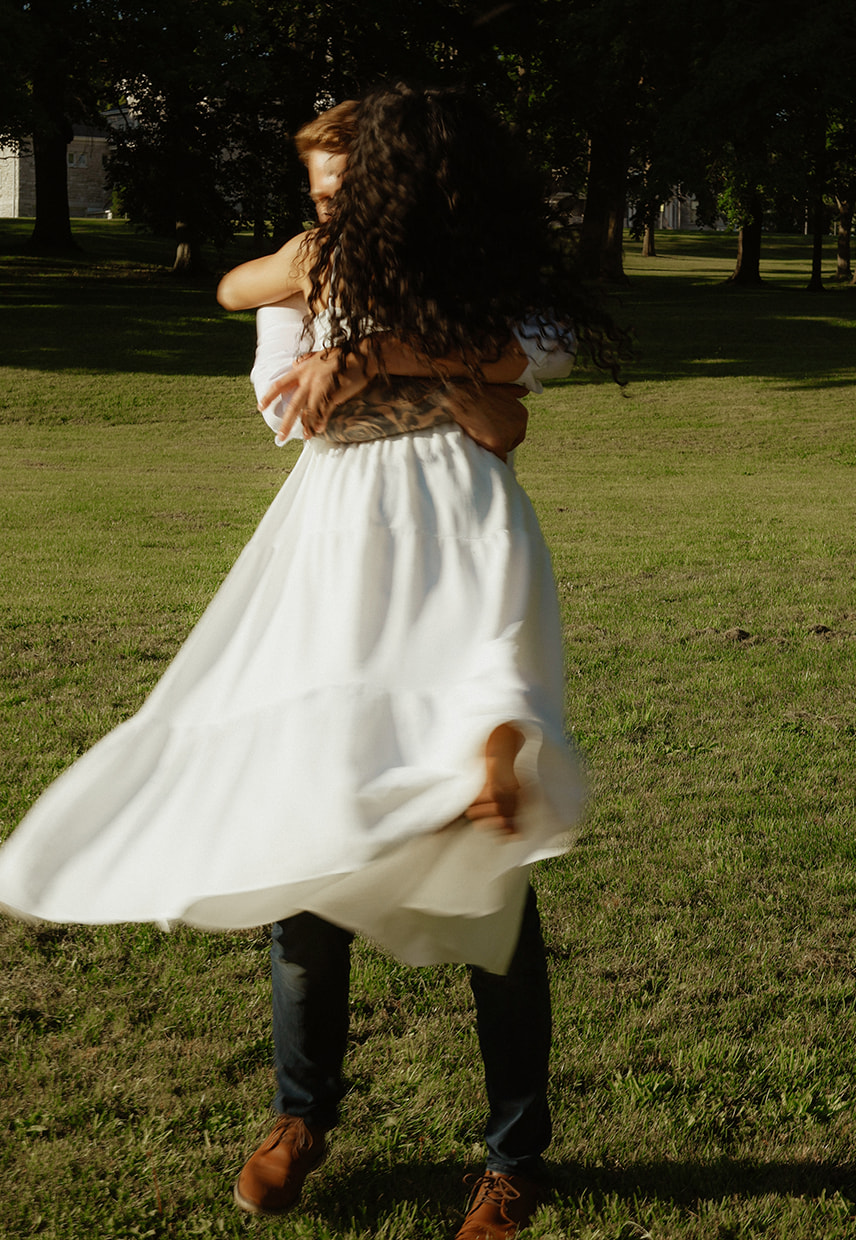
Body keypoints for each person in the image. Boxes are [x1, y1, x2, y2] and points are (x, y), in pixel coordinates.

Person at [0, 83, 614, 1240]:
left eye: (344, 180)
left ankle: (514, 1156)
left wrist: (381, 350)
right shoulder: (304, 270)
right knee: (305, 817)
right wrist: (436, 369)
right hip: (334, 544)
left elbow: (527, 385)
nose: (323, 201)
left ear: (402, 179)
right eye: (314, 184)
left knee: (495, 847)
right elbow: (299, 408)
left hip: (463, 535)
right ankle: (300, 1115)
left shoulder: (473, 265)